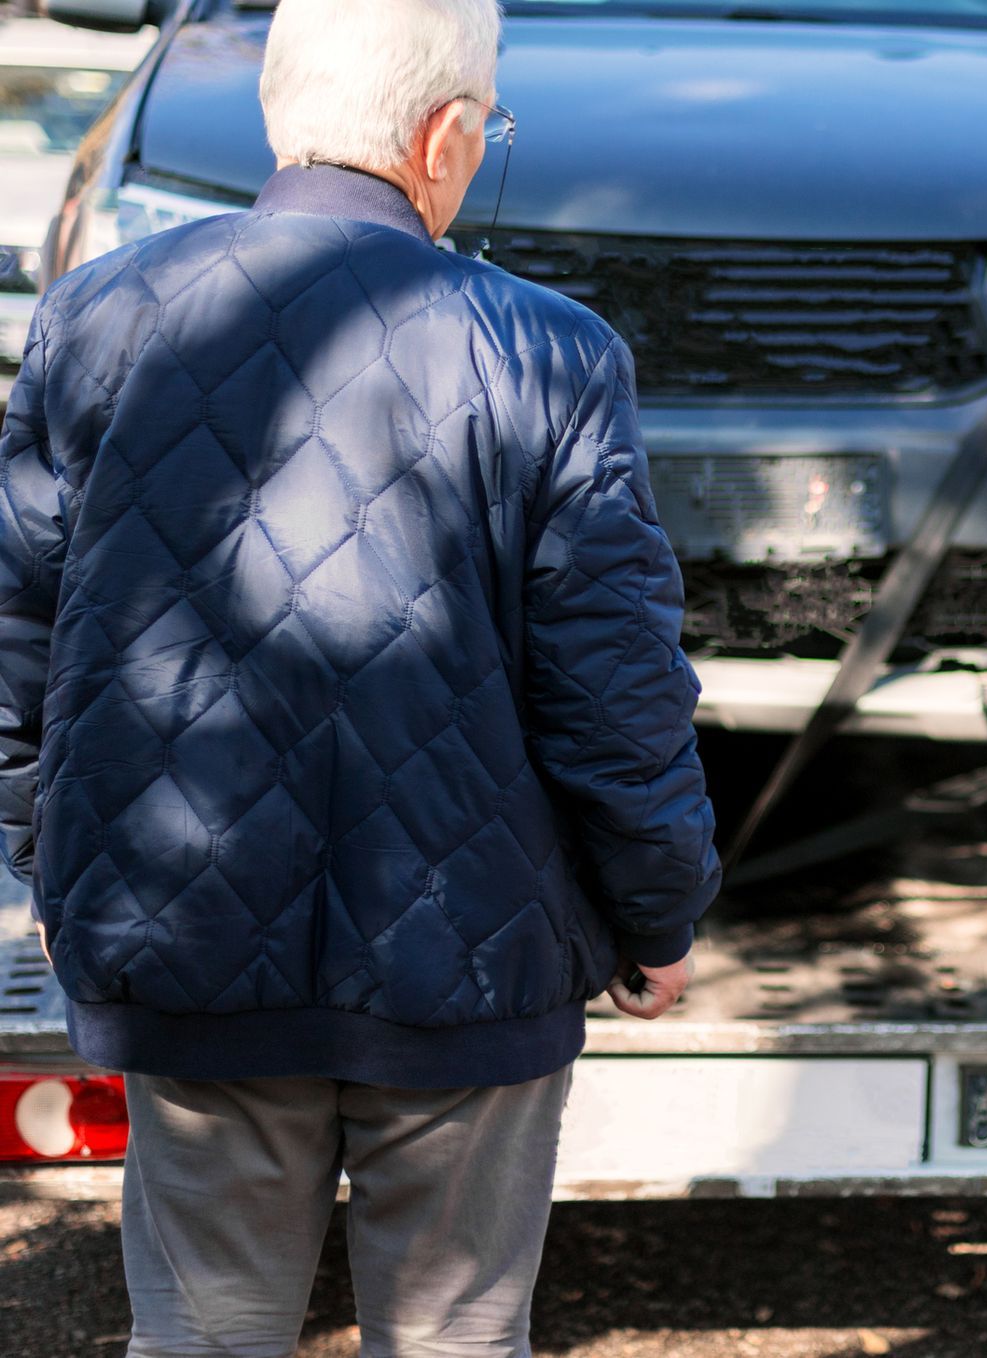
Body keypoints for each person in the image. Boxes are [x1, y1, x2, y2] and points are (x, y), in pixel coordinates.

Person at [0, 0, 721, 1351]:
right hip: (471, 967)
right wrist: (659, 914)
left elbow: (19, 635)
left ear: (282, 114)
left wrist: (52, 863)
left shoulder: (95, 317)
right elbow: (614, 689)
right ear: (444, 136)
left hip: (184, 944)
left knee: (205, 1331)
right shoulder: (553, 354)